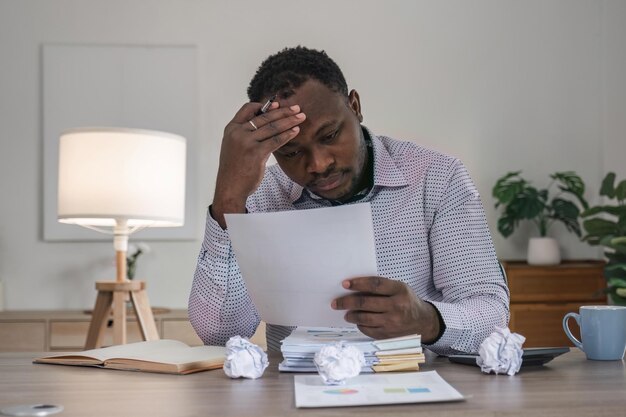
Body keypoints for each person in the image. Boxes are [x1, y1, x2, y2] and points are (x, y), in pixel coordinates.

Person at [189, 46, 509, 355]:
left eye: (329, 136)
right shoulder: (258, 196)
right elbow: (220, 335)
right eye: (291, 151)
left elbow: (491, 315)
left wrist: (427, 320)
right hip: (294, 400)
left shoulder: (438, 178)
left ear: (354, 106)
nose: (318, 164)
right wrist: (228, 199)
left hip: (415, 392)